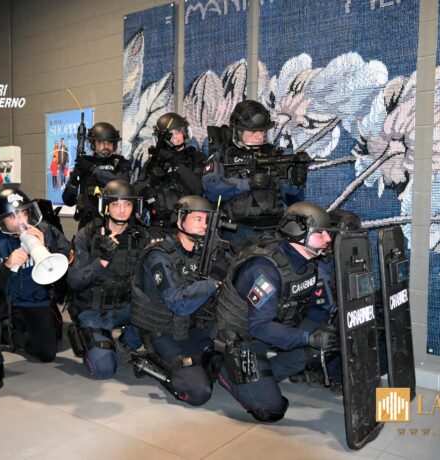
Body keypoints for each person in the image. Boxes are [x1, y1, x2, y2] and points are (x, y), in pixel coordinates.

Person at [213, 202, 340, 422]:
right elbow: (259, 327)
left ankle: (261, 374)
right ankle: (223, 369)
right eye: (320, 233)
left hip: (275, 327)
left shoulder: (308, 262)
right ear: (297, 232)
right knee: (270, 409)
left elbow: (312, 307)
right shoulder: (265, 270)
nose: (328, 238)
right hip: (243, 338)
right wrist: (307, 338)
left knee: (328, 340)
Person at [0, 188, 71, 391]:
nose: (21, 220)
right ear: (0, 220)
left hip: (33, 295)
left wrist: (46, 247)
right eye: (12, 216)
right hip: (3, 295)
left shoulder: (44, 230)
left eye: (23, 213)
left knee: (46, 354)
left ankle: (12, 334)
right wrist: (7, 265)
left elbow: (66, 259)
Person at [130, 196, 227, 406]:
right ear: (180, 219)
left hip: (196, 328)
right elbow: (178, 304)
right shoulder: (159, 255)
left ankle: (198, 361)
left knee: (232, 365)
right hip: (165, 332)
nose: (204, 225)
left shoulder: (208, 252)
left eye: (208, 220)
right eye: (198, 219)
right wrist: (213, 283)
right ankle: (150, 361)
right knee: (199, 392)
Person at [67, 180, 147, 379]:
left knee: (158, 311)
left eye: (127, 204)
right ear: (106, 207)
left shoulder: (140, 236)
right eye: (115, 204)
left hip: (125, 306)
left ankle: (125, 343)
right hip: (94, 309)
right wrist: (101, 261)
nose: (122, 210)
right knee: (104, 369)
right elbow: (74, 281)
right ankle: (92, 337)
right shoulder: (87, 234)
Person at [202, 100, 306, 251]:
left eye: (262, 132)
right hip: (236, 231)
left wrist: (296, 184)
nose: (260, 136)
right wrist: (247, 184)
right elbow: (210, 189)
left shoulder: (273, 156)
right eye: (253, 132)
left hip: (272, 232)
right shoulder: (223, 155)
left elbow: (293, 201)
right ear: (238, 131)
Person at [134, 113, 205, 233]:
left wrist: (176, 164)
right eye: (170, 134)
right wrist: (151, 181)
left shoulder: (196, 158)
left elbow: (198, 189)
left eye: (178, 131)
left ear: (185, 133)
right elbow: (136, 192)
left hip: (187, 224)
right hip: (157, 226)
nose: (175, 136)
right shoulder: (153, 162)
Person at [63, 122, 130, 229]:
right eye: (101, 142)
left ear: (114, 145)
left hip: (115, 223)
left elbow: (122, 181)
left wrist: (93, 169)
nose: (106, 146)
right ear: (93, 144)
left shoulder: (121, 163)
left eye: (109, 143)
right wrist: (74, 181)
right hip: (88, 224)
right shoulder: (84, 163)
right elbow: (68, 201)